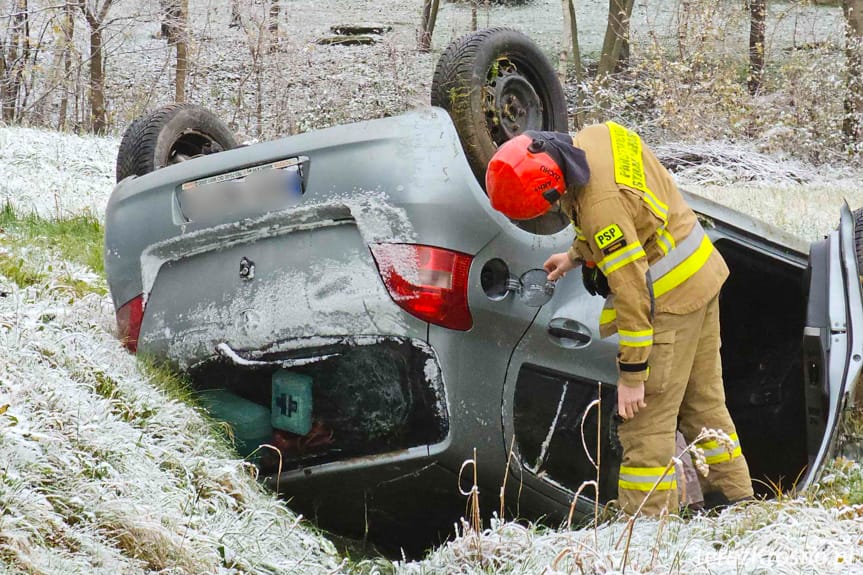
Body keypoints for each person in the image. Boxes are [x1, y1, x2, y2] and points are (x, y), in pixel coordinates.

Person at [484, 122, 754, 515]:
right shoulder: (597, 136)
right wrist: (577, 254)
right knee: (704, 405)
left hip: (668, 297)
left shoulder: (601, 210)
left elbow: (632, 290)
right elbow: (633, 211)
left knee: (645, 424)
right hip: (700, 273)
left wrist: (632, 375)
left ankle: (646, 532)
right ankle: (735, 506)